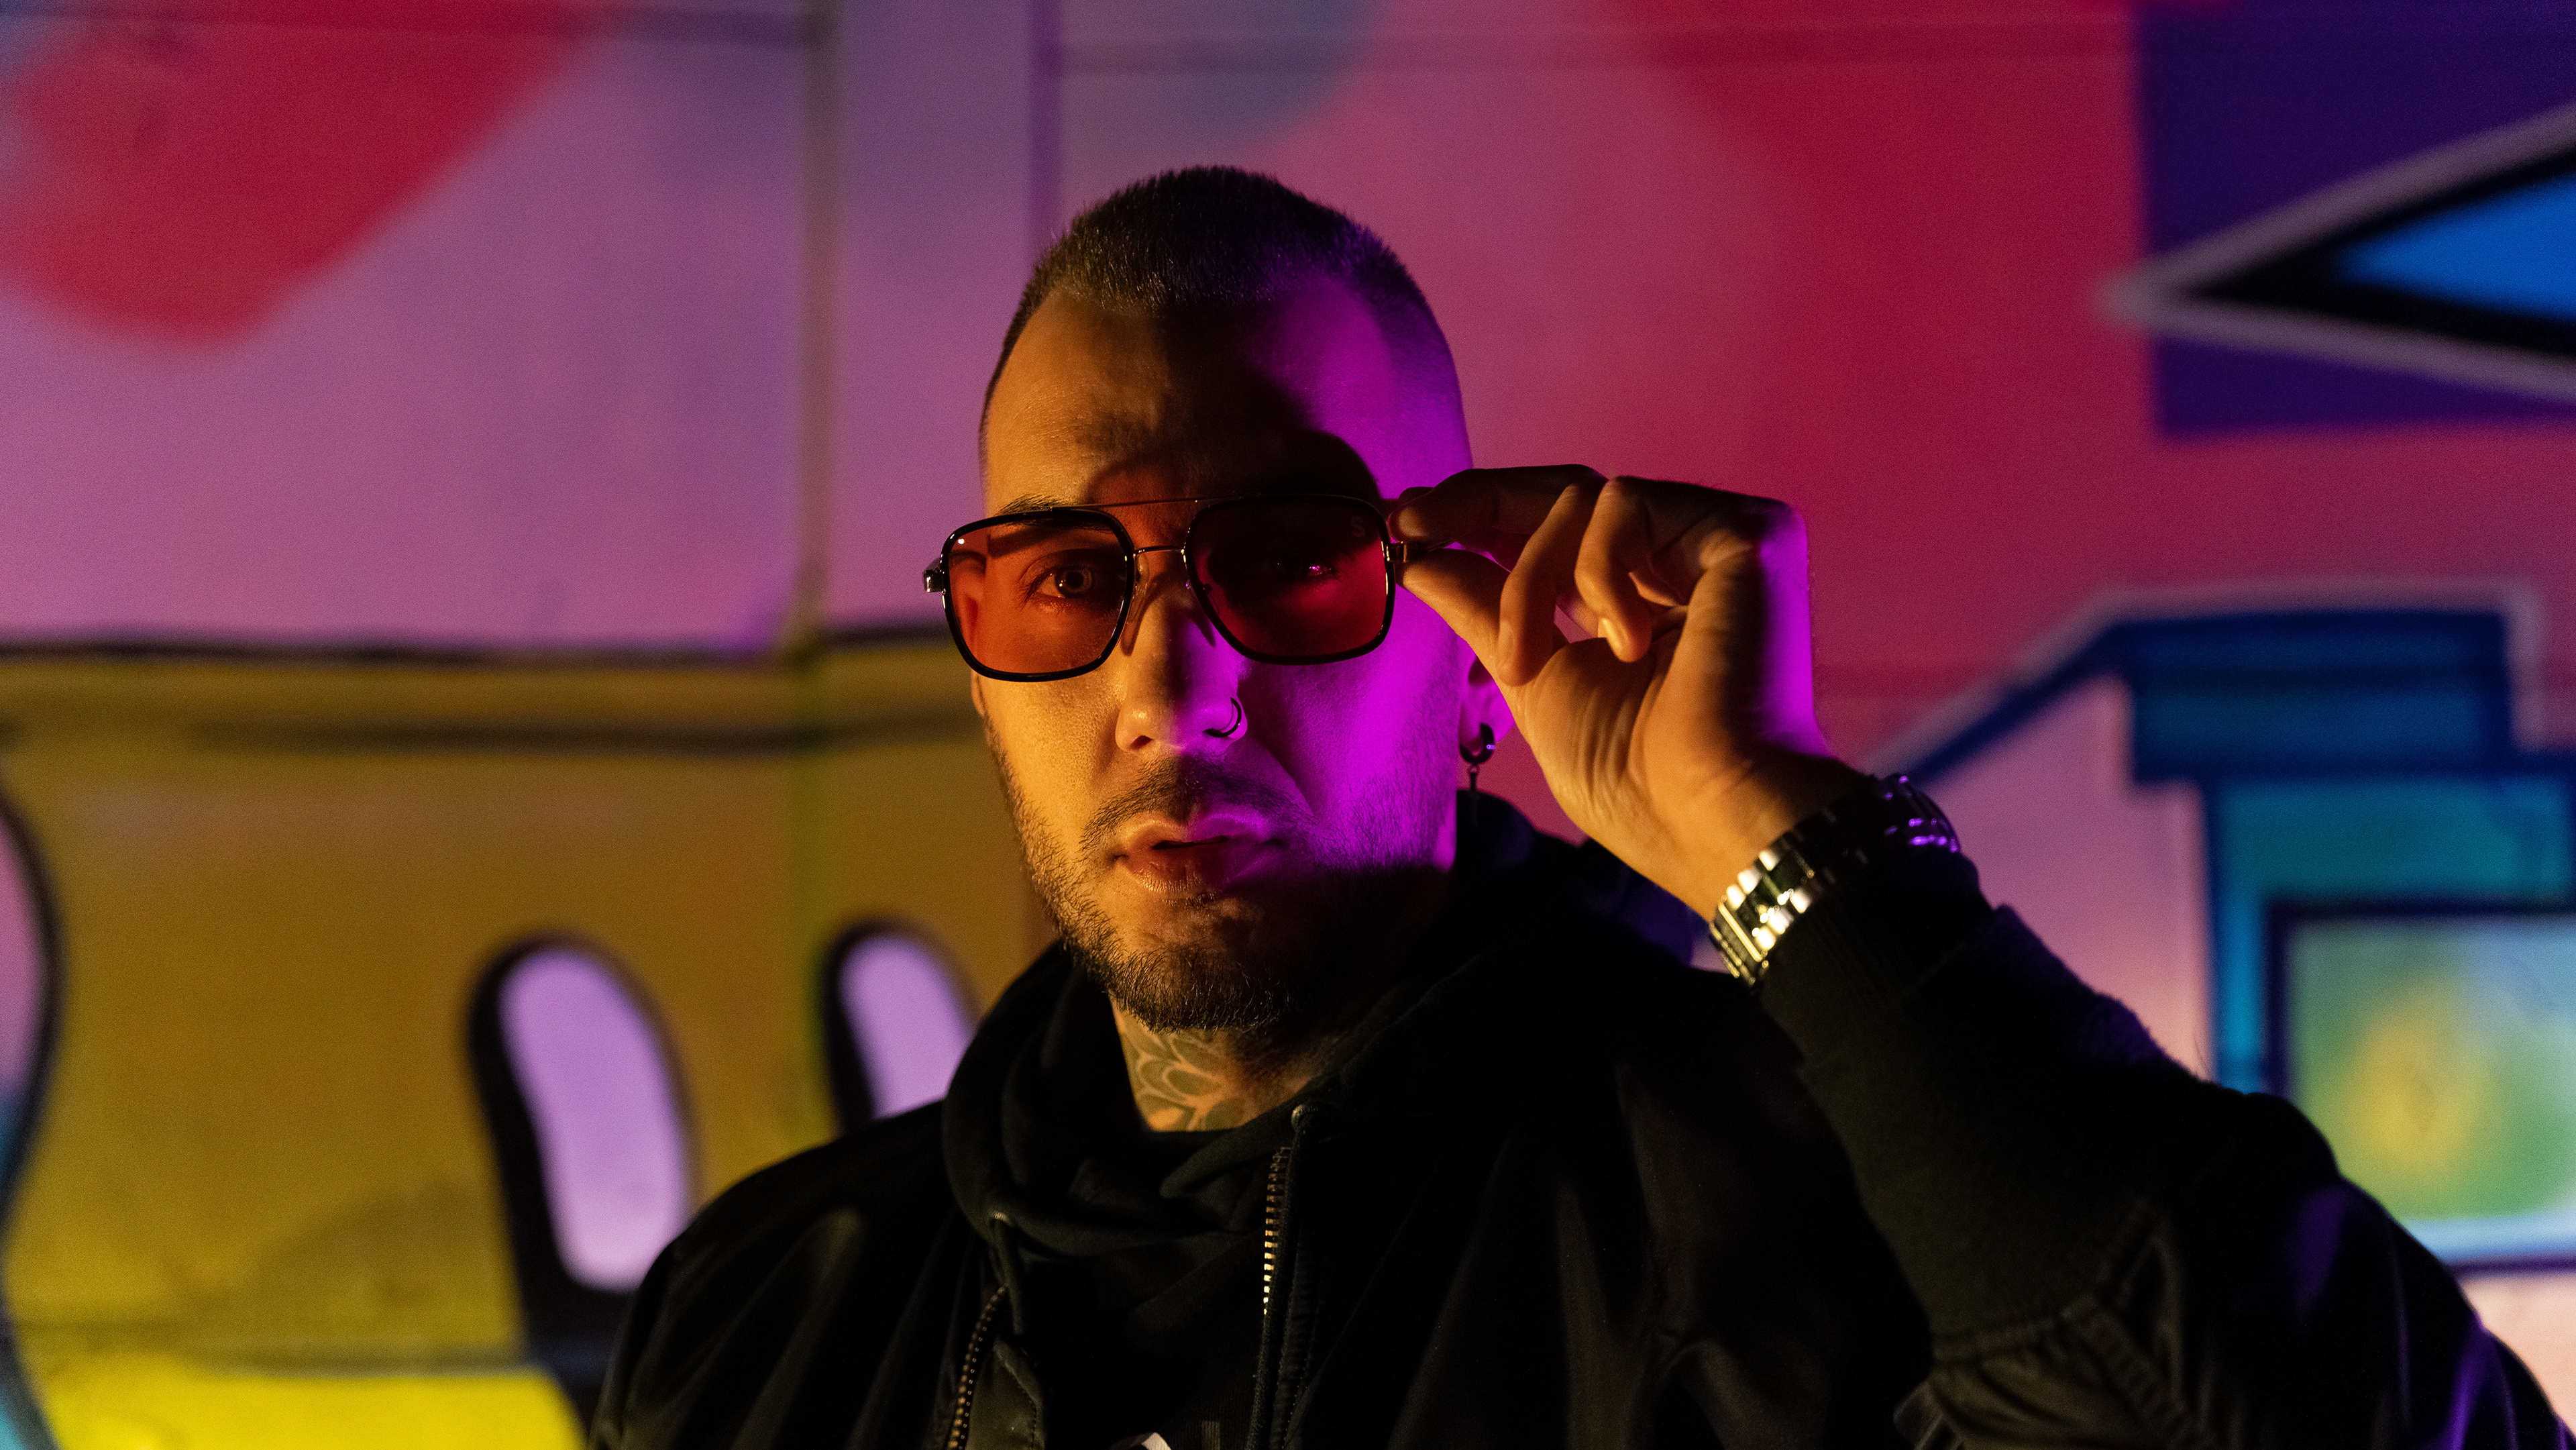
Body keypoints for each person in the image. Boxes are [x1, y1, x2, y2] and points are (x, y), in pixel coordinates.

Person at [590, 167, 2568, 1450]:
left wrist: (1784, 840)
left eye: (1290, 563)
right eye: (1062, 580)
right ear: (979, 660)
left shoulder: (1814, 1216)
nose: (1170, 687)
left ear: (1469, 634)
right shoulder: (780, 1317)